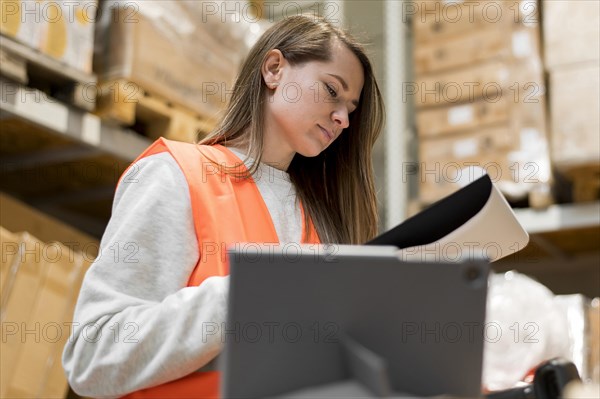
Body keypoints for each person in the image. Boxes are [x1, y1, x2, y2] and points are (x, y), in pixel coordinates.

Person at [62, 15, 385, 398]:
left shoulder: (322, 225)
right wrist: (240, 297)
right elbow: (93, 355)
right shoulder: (176, 177)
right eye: (332, 91)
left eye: (350, 108)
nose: (343, 119)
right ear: (274, 69)